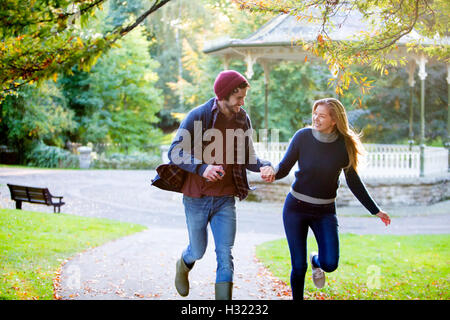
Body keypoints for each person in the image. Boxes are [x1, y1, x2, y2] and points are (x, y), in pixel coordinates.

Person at [151, 70, 275, 300]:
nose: (242, 102)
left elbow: (248, 157)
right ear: (224, 95)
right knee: (197, 250)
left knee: (225, 254)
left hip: (225, 198)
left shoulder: (242, 118)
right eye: (239, 97)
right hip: (195, 198)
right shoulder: (198, 116)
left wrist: (266, 166)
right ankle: (183, 264)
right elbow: (175, 152)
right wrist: (203, 168)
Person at [264, 98, 391, 300]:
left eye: (322, 115)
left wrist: (375, 210)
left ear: (334, 120)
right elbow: (284, 167)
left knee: (330, 263)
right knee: (298, 266)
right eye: (315, 113)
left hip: (324, 212)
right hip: (295, 208)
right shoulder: (302, 137)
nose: (316, 118)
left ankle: (316, 261)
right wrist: (272, 172)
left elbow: (353, 181)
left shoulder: (344, 144)